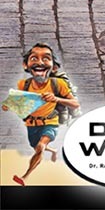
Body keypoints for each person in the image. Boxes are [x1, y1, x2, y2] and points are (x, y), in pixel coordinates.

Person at [5, 43, 79, 186]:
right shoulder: (24, 84)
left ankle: (25, 177)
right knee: (37, 148)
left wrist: (56, 99)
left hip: (50, 122)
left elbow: (75, 103)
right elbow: (18, 101)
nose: (40, 62)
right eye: (34, 58)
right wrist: (9, 104)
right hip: (31, 124)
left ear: (54, 67)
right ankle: (53, 151)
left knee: (40, 147)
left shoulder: (58, 84)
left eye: (46, 58)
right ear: (26, 65)